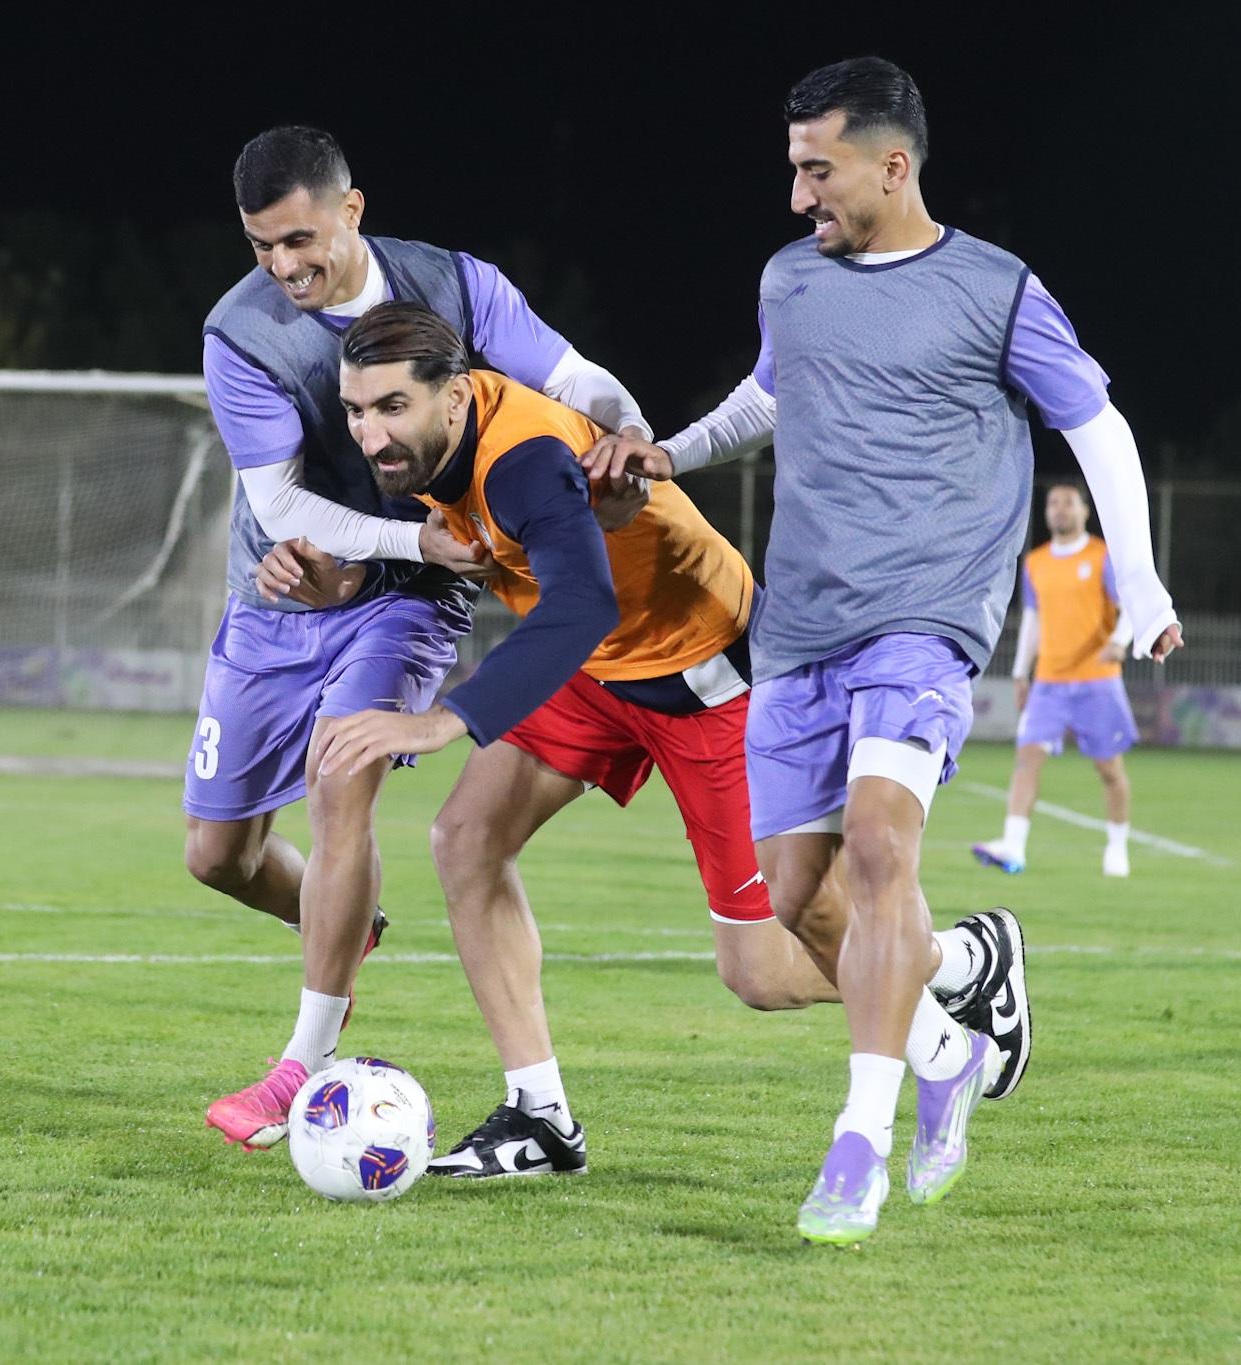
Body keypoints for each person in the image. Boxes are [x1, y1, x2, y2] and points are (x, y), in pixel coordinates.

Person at [580, 58, 1180, 1244]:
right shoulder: (790, 279)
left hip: (925, 618)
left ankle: (857, 1142)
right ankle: (951, 1018)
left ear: (891, 166)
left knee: (874, 847)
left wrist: (1141, 578)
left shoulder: (993, 289)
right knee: (792, 910)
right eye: (792, 169)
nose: (797, 195)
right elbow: (767, 397)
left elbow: (1095, 424)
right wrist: (668, 453)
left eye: (818, 170)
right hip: (799, 625)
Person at [298, 302, 1014, 1181]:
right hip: (597, 667)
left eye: (390, 408)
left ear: (454, 397)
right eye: (356, 410)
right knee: (466, 838)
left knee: (762, 971)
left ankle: (961, 962)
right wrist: (341, 577)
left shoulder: (521, 459)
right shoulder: (425, 450)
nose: (370, 433)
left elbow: (581, 599)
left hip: (705, 673)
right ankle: (541, 1117)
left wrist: (447, 717)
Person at [194, 127, 652, 1150]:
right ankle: (345, 920)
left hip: (409, 597)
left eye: (300, 239)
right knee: (216, 855)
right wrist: (416, 537)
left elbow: (574, 377)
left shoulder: (455, 284)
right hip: (281, 598)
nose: (283, 266)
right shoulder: (240, 332)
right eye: (261, 246)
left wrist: (628, 430)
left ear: (350, 210)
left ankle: (296, 1067)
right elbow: (279, 506)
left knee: (341, 771)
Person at [972, 483, 1140, 877]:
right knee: (1028, 757)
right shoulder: (1035, 562)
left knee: (1109, 769)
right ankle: (1013, 846)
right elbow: (1032, 621)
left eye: (1068, 503)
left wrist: (1119, 642)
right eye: (1053, 503)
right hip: (1048, 681)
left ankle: (1117, 848)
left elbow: (1130, 607)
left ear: (1085, 511)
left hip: (1096, 680)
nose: (1060, 509)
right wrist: (1020, 671)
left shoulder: (1101, 556)